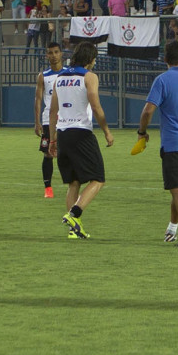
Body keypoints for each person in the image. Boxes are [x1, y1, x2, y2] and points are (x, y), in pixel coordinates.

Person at [134, 41, 178, 247]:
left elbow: (148, 110)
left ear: (165, 59)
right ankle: (172, 229)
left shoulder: (162, 80)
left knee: (177, 188)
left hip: (174, 142)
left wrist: (142, 132)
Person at [48, 42, 114, 239]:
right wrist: (107, 131)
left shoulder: (60, 78)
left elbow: (53, 112)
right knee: (98, 179)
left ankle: (74, 231)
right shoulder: (89, 76)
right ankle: (74, 214)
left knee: (73, 182)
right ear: (91, 59)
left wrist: (52, 140)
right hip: (81, 133)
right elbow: (96, 106)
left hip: (62, 134)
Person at [33, 44, 64, 199]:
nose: (53, 55)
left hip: (66, 120)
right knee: (48, 154)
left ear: (61, 54)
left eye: (56, 52)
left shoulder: (68, 74)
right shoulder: (43, 76)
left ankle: (73, 183)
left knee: (68, 153)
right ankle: (48, 188)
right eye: (50, 53)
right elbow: (38, 99)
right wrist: (37, 122)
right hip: (48, 121)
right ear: (46, 55)